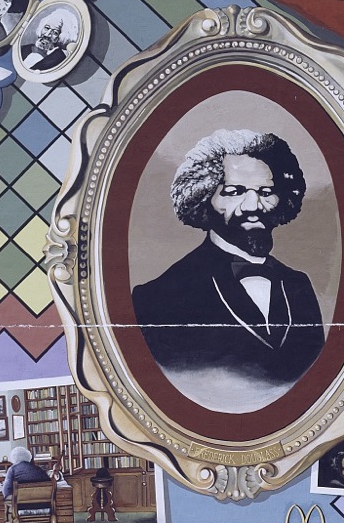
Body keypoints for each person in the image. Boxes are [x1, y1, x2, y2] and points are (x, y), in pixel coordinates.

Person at [132, 129, 325, 387]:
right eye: (234, 191)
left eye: (266, 192)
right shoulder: (158, 297)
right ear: (203, 198)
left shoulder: (298, 285)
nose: (253, 205)